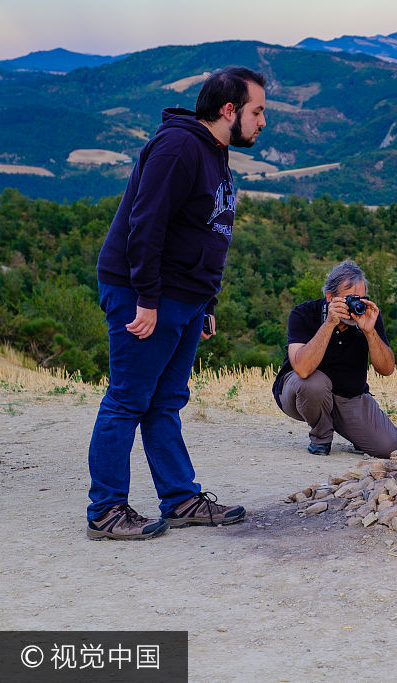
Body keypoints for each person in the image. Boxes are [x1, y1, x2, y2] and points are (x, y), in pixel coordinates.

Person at [86, 66, 268, 540]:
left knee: (166, 402)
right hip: (145, 293)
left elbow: (207, 232)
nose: (262, 122)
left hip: (185, 298)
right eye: (257, 111)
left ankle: (180, 499)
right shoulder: (179, 146)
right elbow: (145, 224)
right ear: (229, 110)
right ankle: (106, 512)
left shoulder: (214, 152)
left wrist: (207, 303)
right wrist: (145, 299)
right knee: (127, 400)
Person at [272, 260, 397, 458]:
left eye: (360, 298)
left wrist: (370, 332)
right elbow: (302, 369)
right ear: (330, 297)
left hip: (348, 396)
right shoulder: (303, 313)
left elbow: (387, 369)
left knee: (390, 447)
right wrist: (329, 324)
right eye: (349, 299)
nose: (355, 305)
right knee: (314, 383)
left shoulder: (368, 316)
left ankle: (352, 432)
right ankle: (321, 437)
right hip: (300, 393)